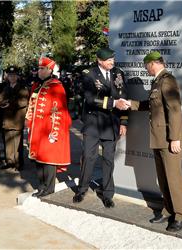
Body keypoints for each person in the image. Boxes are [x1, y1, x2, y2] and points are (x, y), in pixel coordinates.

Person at [122, 51, 182, 232]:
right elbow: (152, 105)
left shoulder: (167, 80)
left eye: (146, 66)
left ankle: (181, 216)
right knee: (164, 178)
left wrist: (174, 138)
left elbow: (174, 109)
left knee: (174, 179)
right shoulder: (157, 81)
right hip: (159, 138)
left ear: (153, 64)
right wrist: (130, 104)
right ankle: (168, 211)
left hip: (169, 139)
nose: (146, 69)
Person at [72, 48, 128, 208]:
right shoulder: (88, 74)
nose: (112, 62)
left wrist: (124, 122)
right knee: (89, 157)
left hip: (111, 124)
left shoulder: (118, 73)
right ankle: (82, 189)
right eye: (109, 60)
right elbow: (90, 99)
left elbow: (124, 96)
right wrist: (113, 103)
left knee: (109, 160)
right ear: (100, 61)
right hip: (93, 124)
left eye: (113, 59)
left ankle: (107, 193)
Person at [25, 57, 71, 198]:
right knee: (38, 159)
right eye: (39, 68)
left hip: (49, 130)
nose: (39, 71)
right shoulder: (37, 86)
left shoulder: (57, 86)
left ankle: (48, 189)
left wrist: (54, 131)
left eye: (42, 68)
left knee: (48, 160)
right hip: (37, 129)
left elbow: (59, 111)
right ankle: (41, 187)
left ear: (49, 70)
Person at [0, 66, 29, 170]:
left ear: (17, 76)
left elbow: (24, 102)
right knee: (8, 142)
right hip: (7, 119)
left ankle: (18, 163)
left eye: (14, 75)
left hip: (17, 119)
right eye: (10, 75)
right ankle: (9, 162)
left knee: (17, 142)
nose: (11, 77)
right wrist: (1, 103)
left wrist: (9, 104)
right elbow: (0, 100)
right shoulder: (6, 88)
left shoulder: (23, 88)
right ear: (7, 76)